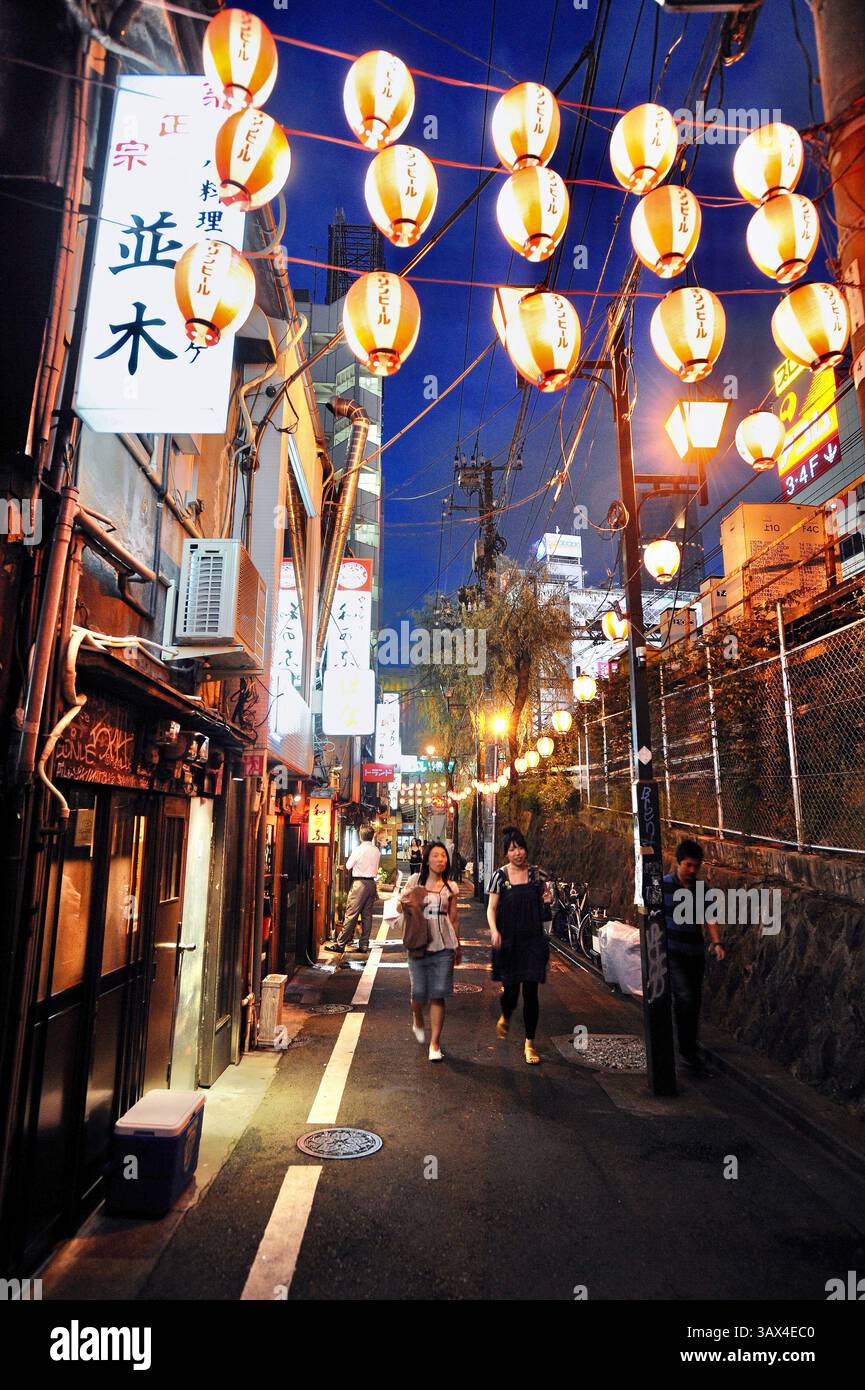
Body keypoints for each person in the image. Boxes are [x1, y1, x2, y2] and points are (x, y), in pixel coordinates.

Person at [487, 827, 553, 1065]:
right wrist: (494, 931)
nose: (518, 853)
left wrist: (548, 899)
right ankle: (505, 1014)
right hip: (509, 941)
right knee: (511, 991)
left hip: (533, 940)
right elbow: (491, 908)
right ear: (506, 853)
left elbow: (547, 901)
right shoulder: (500, 877)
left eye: (520, 847)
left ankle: (529, 1043)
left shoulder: (538, 875)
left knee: (531, 993)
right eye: (512, 849)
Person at [663, 837, 725, 1075]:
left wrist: (717, 943)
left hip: (695, 951)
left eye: (696, 866)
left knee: (694, 1001)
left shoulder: (702, 889)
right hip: (673, 951)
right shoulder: (664, 885)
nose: (691, 870)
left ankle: (689, 1046)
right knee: (685, 997)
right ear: (678, 862)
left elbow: (710, 917)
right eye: (688, 865)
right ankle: (686, 1049)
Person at [397, 842, 461, 1062]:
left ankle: (435, 1043)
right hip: (419, 943)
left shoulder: (451, 887)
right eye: (435, 855)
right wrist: (408, 898)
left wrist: (458, 945)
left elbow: (454, 918)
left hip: (444, 944)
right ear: (427, 859)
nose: (440, 859)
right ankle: (417, 1016)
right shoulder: (415, 881)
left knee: (438, 994)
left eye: (443, 856)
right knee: (418, 993)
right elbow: (399, 907)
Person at [326, 826, 381, 955]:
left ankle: (340, 944)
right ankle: (364, 944)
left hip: (359, 884)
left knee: (351, 913)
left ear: (361, 836)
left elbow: (348, 865)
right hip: (371, 883)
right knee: (367, 915)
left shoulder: (359, 849)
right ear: (372, 836)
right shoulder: (376, 850)